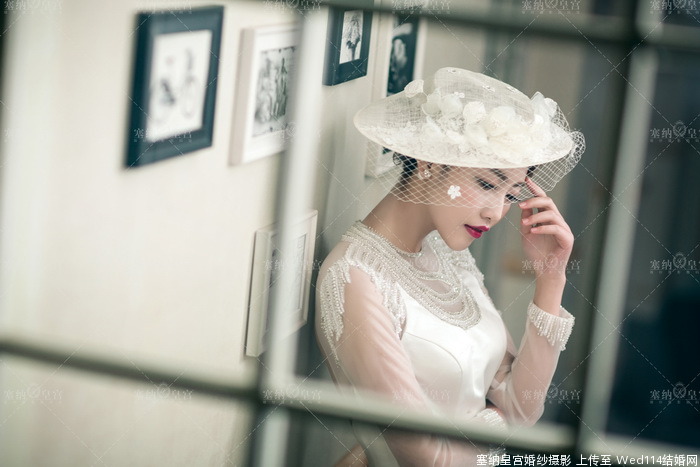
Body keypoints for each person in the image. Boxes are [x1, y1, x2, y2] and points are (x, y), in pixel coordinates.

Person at [315, 67, 585, 466]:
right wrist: (499, 422)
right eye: (487, 184)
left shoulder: (450, 254)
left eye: (511, 193)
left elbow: (522, 407)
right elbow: (431, 460)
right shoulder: (356, 278)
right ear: (428, 161)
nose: (495, 213)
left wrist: (550, 278)